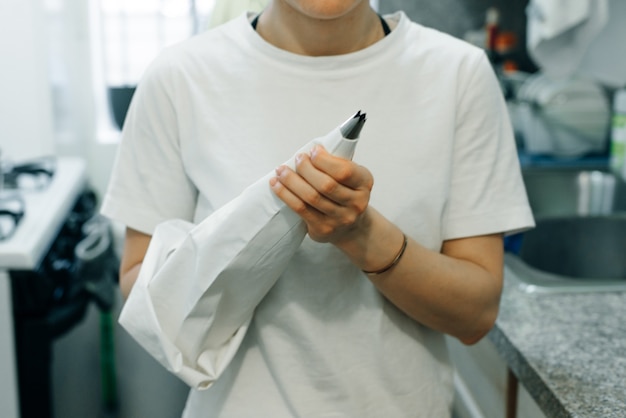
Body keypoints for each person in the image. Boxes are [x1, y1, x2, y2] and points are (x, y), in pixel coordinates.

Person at [101, 1, 535, 416]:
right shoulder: (179, 77)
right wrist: (243, 243)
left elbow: (475, 315)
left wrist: (362, 236)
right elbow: (138, 281)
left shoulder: (459, 74)